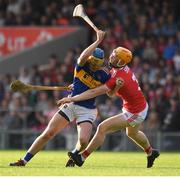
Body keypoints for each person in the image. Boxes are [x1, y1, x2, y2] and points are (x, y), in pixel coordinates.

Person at [9, 30, 117, 167]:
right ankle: (23, 160)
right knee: (48, 133)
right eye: (94, 61)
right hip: (71, 105)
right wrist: (97, 41)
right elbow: (83, 56)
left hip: (87, 109)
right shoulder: (82, 65)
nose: (96, 65)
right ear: (90, 58)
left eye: (99, 63)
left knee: (83, 141)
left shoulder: (104, 74)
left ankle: (74, 154)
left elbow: (109, 92)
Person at [57, 47, 160, 168]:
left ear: (121, 62)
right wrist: (79, 85)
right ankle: (151, 152)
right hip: (137, 106)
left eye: (115, 57)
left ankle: (81, 157)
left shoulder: (118, 75)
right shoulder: (118, 69)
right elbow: (111, 94)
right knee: (132, 133)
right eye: (113, 54)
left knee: (102, 127)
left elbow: (94, 92)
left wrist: (72, 98)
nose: (111, 57)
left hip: (135, 112)